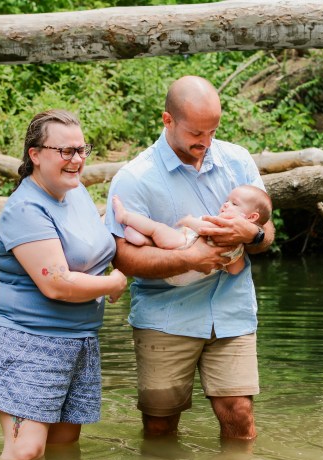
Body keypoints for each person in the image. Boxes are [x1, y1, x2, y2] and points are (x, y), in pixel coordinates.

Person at [103, 76, 275, 440]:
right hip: (166, 316)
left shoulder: (237, 160)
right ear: (168, 120)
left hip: (231, 311)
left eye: (213, 131)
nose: (207, 142)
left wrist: (252, 235)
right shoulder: (135, 178)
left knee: (240, 415)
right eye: (197, 132)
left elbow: (267, 232)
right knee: (160, 425)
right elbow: (123, 259)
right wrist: (190, 259)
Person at [0, 109, 127, 460]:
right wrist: (112, 283)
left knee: (63, 449)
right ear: (35, 154)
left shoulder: (75, 194)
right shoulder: (25, 209)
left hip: (79, 341)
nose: (77, 159)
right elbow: (56, 283)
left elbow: (88, 246)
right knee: (25, 453)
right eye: (65, 151)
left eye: (82, 149)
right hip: (30, 342)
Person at [111, 184, 272, 285]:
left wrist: (189, 221)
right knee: (160, 241)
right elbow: (235, 269)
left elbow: (203, 229)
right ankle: (144, 241)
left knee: (157, 229)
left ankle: (125, 217)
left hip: (182, 245)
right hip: (187, 277)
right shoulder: (238, 249)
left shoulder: (224, 225)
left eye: (234, 204)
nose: (225, 204)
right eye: (227, 201)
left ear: (251, 217)